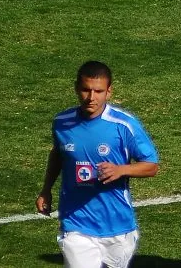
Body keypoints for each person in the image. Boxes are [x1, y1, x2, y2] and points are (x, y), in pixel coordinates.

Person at [36, 61, 159, 268]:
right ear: (76, 88)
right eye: (86, 90)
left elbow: (151, 166)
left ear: (109, 92)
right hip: (76, 222)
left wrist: (121, 170)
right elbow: (58, 154)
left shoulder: (123, 125)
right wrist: (46, 189)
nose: (91, 97)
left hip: (117, 225)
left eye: (99, 91)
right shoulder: (62, 122)